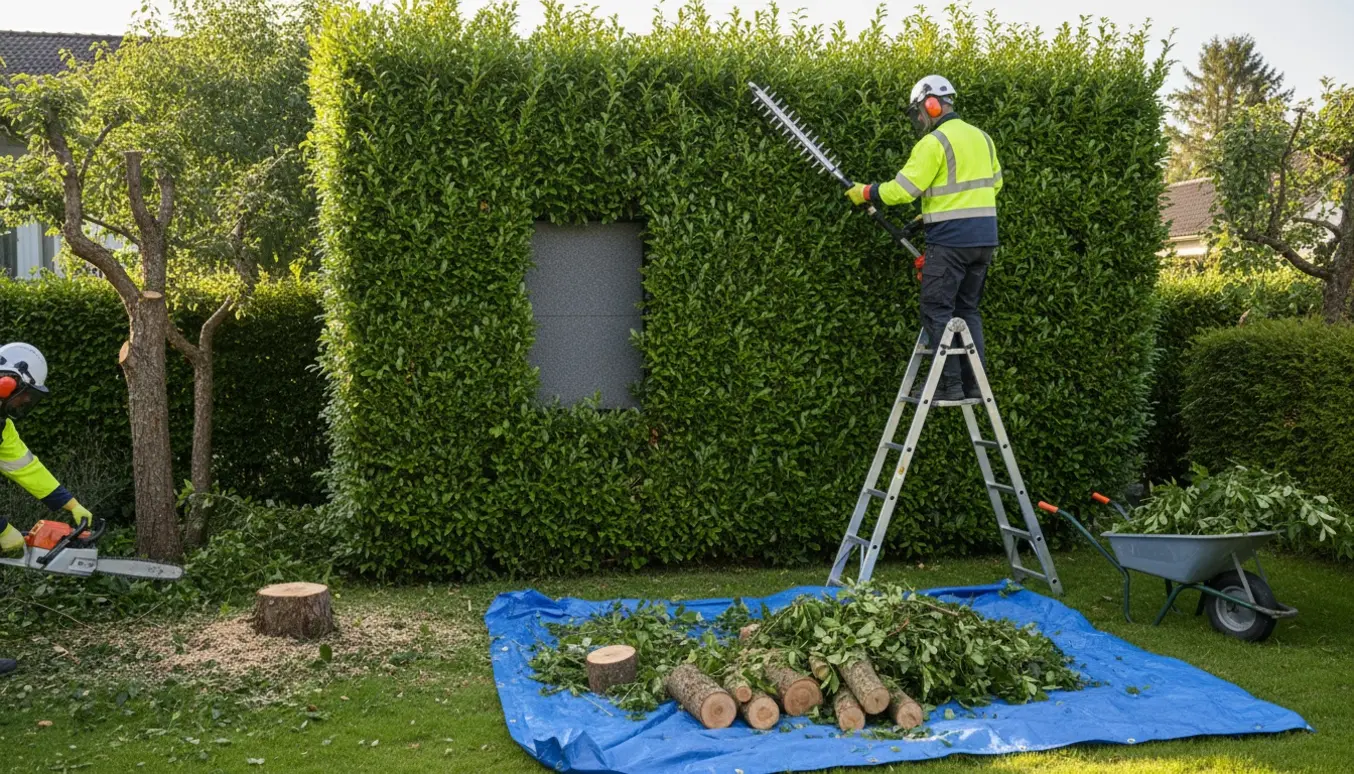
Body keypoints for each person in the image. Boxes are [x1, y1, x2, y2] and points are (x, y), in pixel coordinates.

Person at [846, 75, 1003, 402]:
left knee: (936, 309)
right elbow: (993, 186)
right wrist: (925, 217)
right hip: (984, 241)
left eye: (919, 111)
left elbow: (903, 190)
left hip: (951, 244)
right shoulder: (984, 139)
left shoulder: (935, 142)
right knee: (967, 309)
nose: (919, 118)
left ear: (932, 104)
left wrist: (866, 192)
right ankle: (974, 384)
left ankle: (948, 385)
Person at [0, 342, 93, 676]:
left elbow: (25, 467)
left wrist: (70, 504)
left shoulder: (2, 427)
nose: (26, 401)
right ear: (7, 382)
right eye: (25, 394)